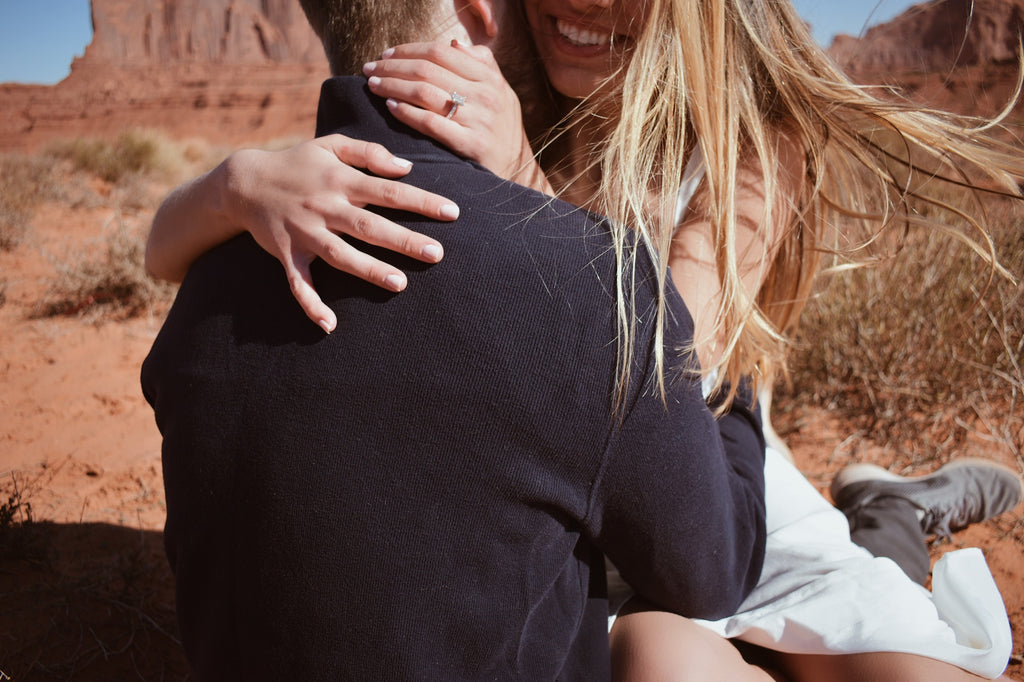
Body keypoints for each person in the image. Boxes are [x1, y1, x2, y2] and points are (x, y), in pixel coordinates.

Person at [145, 0, 1024, 680]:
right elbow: (162, 254)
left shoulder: (749, 138)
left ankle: (890, 515)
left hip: (699, 449)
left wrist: (522, 177)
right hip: (542, 486)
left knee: (905, 660)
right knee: (667, 656)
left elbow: (665, 359)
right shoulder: (499, 69)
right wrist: (237, 180)